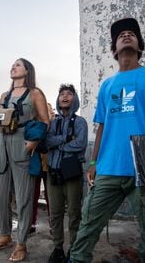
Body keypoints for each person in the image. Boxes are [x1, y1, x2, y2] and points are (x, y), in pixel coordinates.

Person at [69, 17, 145, 263]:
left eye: (132, 33)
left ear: (140, 45)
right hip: (108, 168)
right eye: (120, 35)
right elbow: (102, 127)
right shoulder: (107, 85)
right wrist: (94, 164)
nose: (126, 35)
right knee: (88, 226)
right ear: (113, 49)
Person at [0, 58, 49, 262]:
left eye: (18, 65)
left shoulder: (35, 93)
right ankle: (4, 234)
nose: (13, 67)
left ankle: (21, 243)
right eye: (12, 65)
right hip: (2, 143)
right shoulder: (5, 95)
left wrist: (34, 142)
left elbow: (45, 121)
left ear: (27, 70)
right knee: (1, 195)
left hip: (23, 143)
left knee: (23, 197)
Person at [45, 84, 88, 262]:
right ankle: (57, 248)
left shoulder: (80, 122)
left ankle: (74, 248)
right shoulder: (52, 122)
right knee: (55, 213)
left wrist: (59, 145)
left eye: (69, 94)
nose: (64, 97)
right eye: (62, 94)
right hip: (53, 172)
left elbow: (80, 144)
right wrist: (65, 139)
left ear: (74, 99)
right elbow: (47, 141)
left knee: (74, 213)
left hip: (72, 174)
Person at [30, 103, 55, 234]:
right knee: (32, 196)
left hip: (49, 164)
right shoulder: (35, 126)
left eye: (49, 110)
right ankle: (31, 223)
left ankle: (53, 225)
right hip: (35, 163)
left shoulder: (53, 125)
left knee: (50, 196)